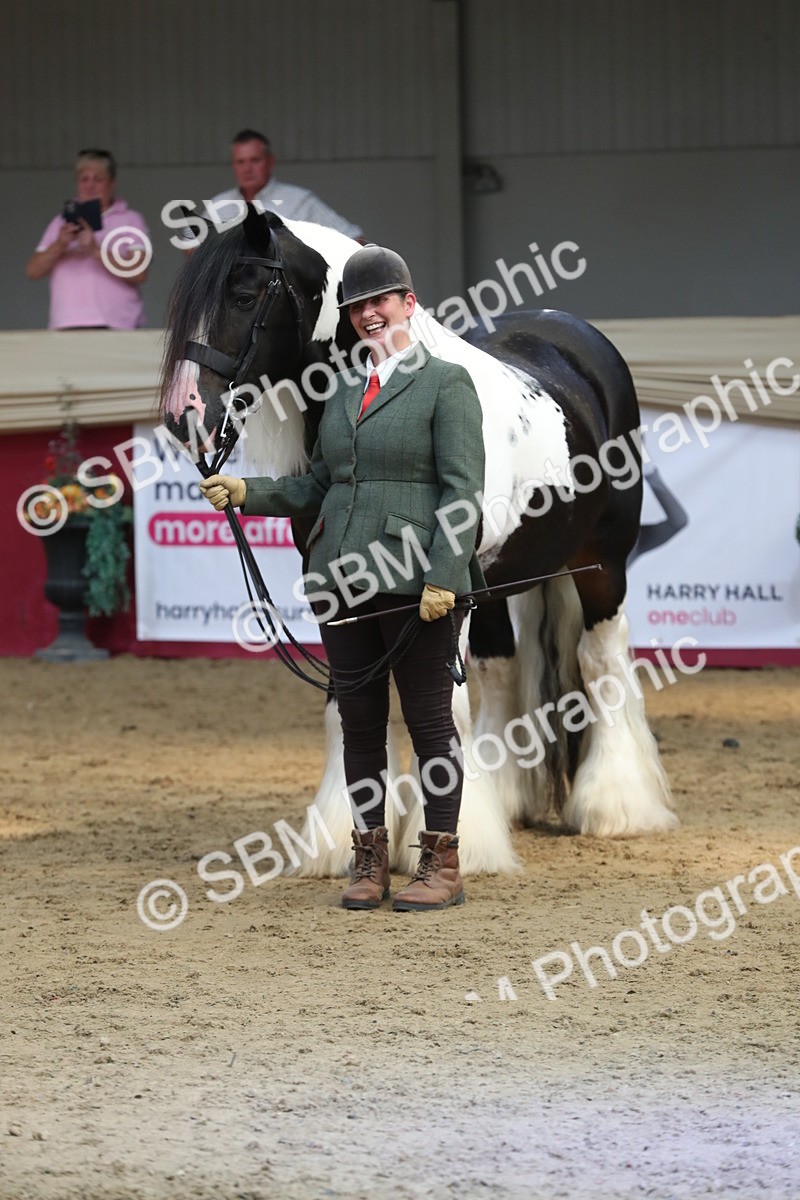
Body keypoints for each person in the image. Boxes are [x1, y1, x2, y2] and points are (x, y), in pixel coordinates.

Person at [199, 245, 485, 913]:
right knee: (358, 721)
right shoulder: (344, 390)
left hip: (416, 581)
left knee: (429, 722)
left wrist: (446, 573)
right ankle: (369, 856)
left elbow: (464, 488)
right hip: (344, 578)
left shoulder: (447, 383)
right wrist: (248, 489)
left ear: (408, 304)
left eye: (380, 301)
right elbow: (322, 483)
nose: (368, 314)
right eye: (358, 306)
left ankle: (441, 862)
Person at [26, 149, 149, 330]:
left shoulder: (130, 219)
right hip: (65, 325)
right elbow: (33, 271)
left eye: (98, 179)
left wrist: (96, 251)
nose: (90, 185)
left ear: (112, 182)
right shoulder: (60, 222)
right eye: (84, 179)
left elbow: (140, 273)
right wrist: (60, 244)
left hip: (117, 326)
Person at [204, 128, 363, 239]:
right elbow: (190, 244)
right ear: (233, 165)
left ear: (270, 161)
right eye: (240, 162)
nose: (247, 169)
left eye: (255, 160)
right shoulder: (219, 204)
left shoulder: (299, 201)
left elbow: (353, 239)